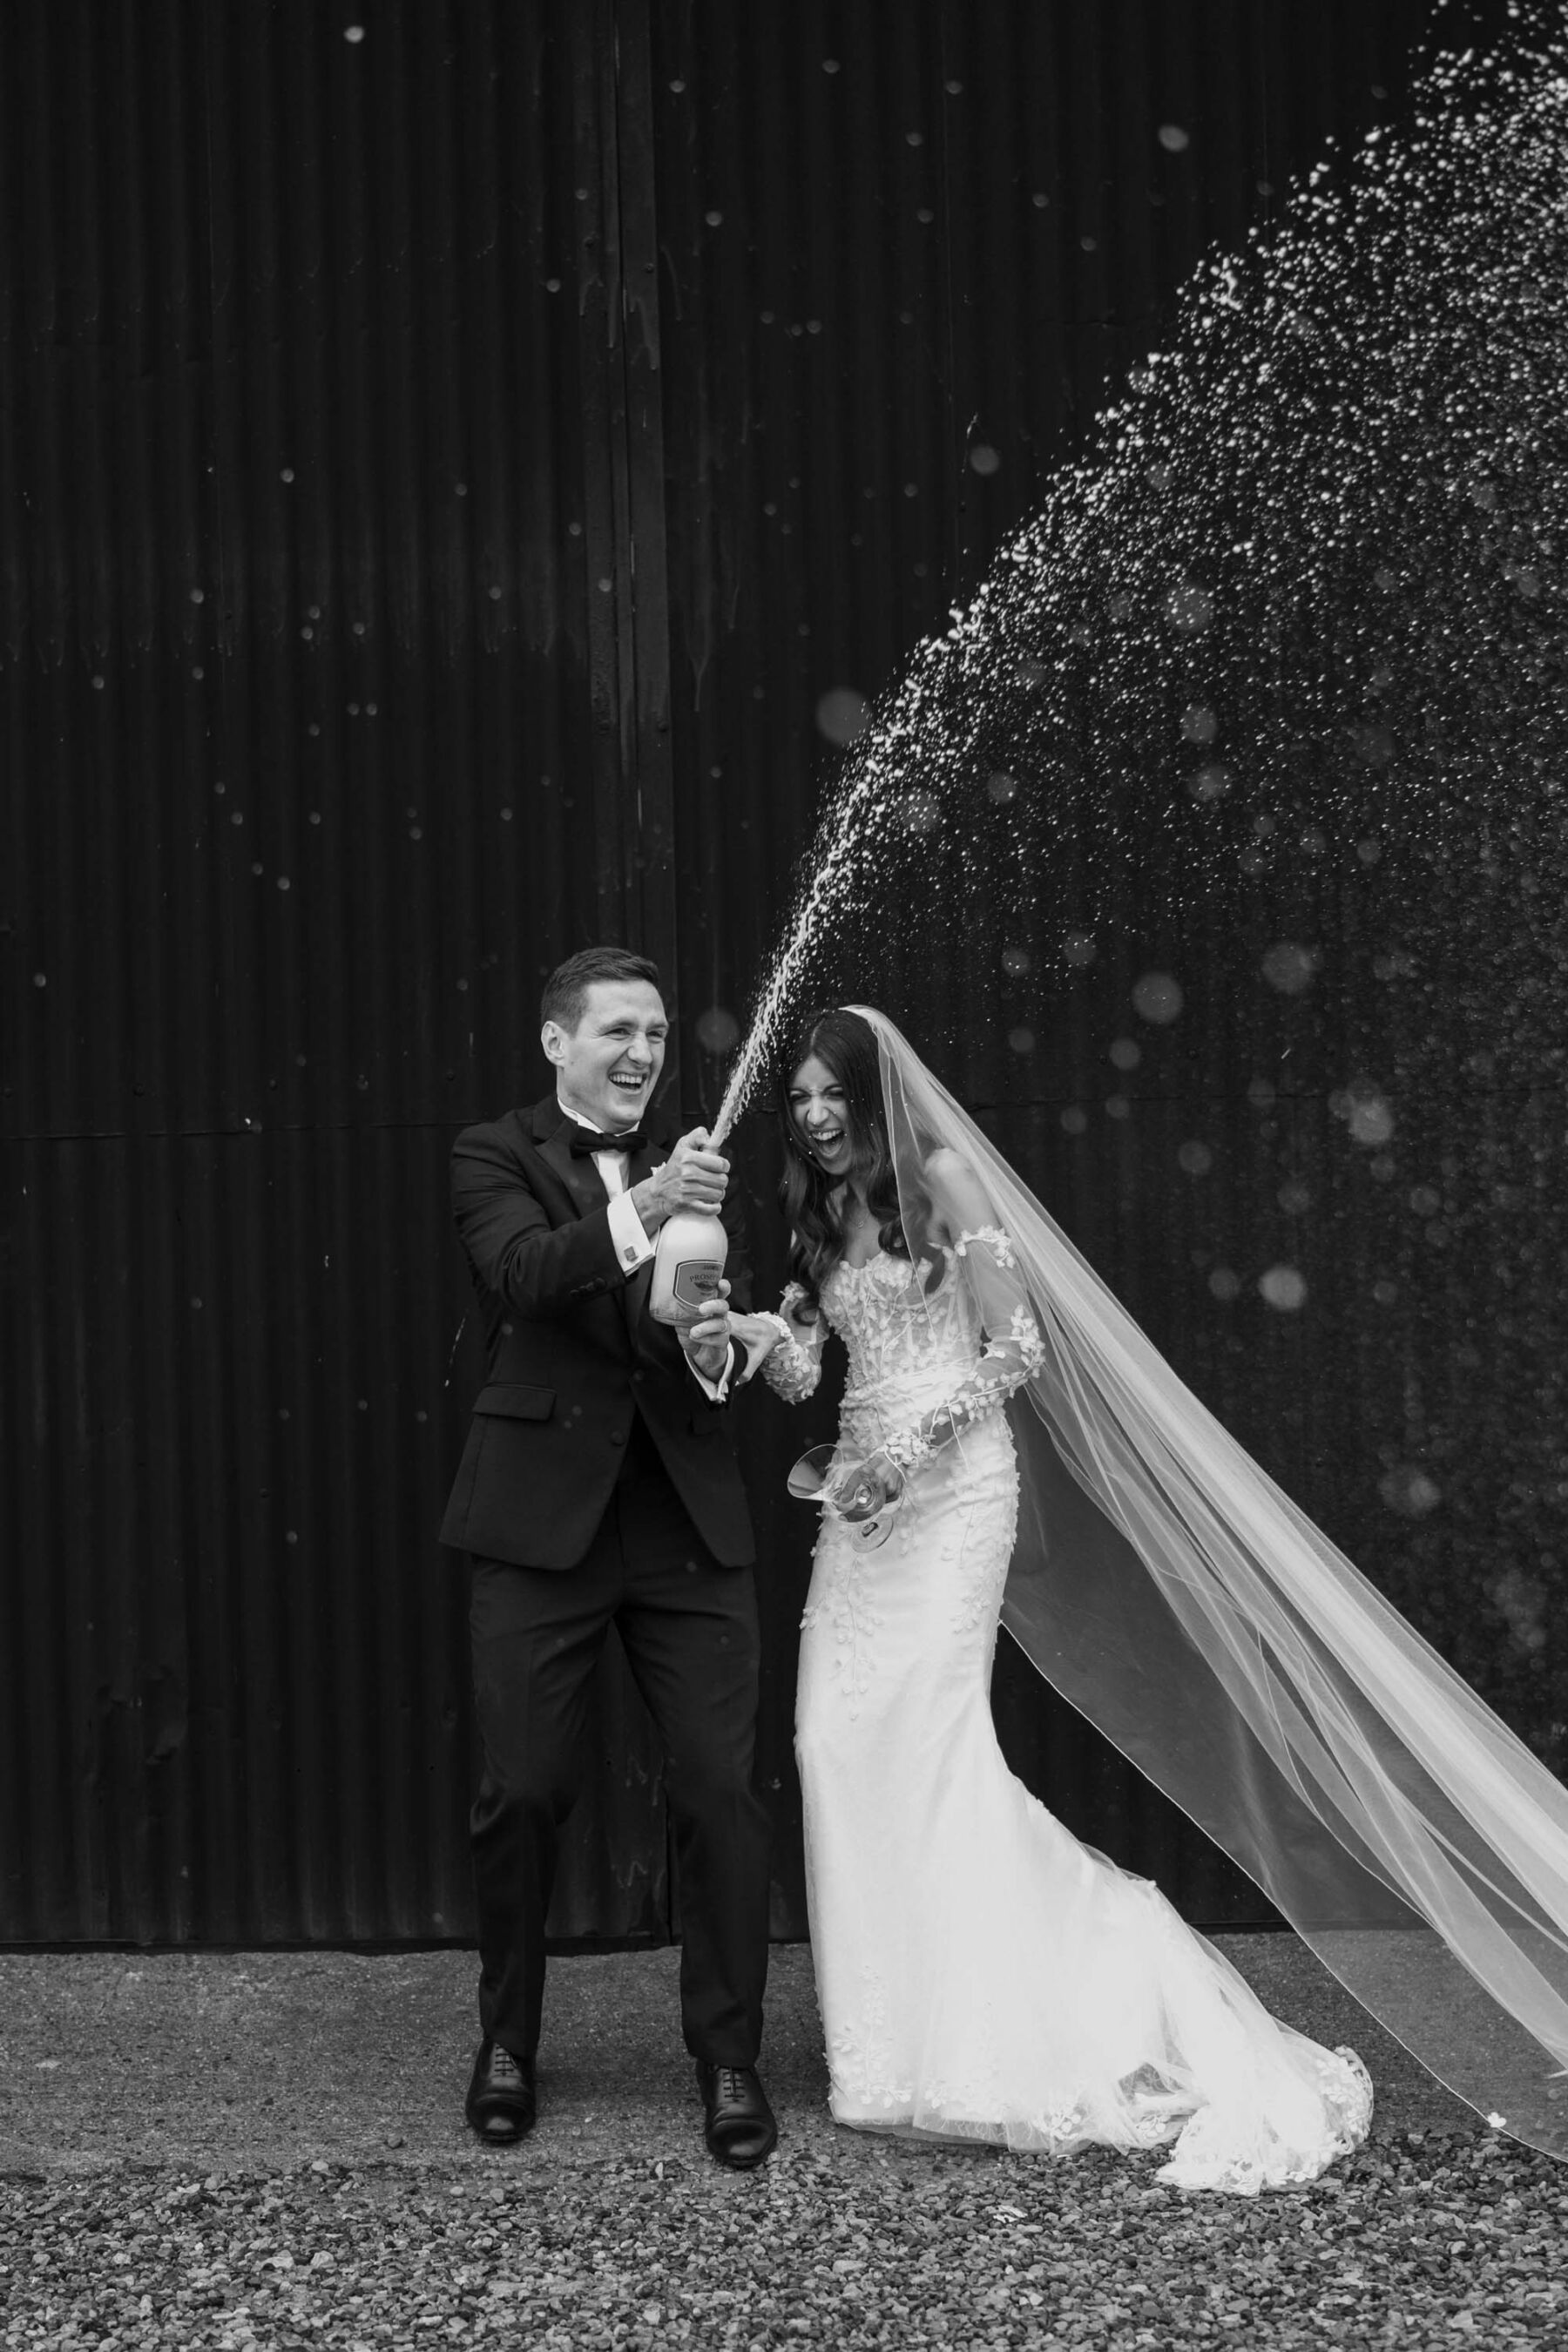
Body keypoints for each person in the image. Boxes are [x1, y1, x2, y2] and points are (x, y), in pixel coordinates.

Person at [721, 1005, 1568, 2189]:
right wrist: (759, 1338)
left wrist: (911, 1457)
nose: (812, 1118)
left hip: (952, 1498)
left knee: (934, 1754)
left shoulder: (948, 1182)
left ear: (874, 1097)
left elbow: (1018, 1351)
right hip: (858, 1515)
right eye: (798, 1099)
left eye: (830, 1096)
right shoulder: (819, 1216)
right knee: (832, 1747)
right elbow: (818, 1371)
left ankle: (1044, 2017)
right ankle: (889, 2039)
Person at [439, 945, 775, 2168]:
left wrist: (721, 1341)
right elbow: (527, 1277)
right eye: (616, 1031)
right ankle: (509, 2043)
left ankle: (729, 2059)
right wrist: (643, 1204)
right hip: (541, 1529)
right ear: (557, 1044)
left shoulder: (709, 1164)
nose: (643, 1052)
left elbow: (709, 1340)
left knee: (720, 1797)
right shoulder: (493, 1152)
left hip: (685, 1524)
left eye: (654, 1032)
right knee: (522, 1791)